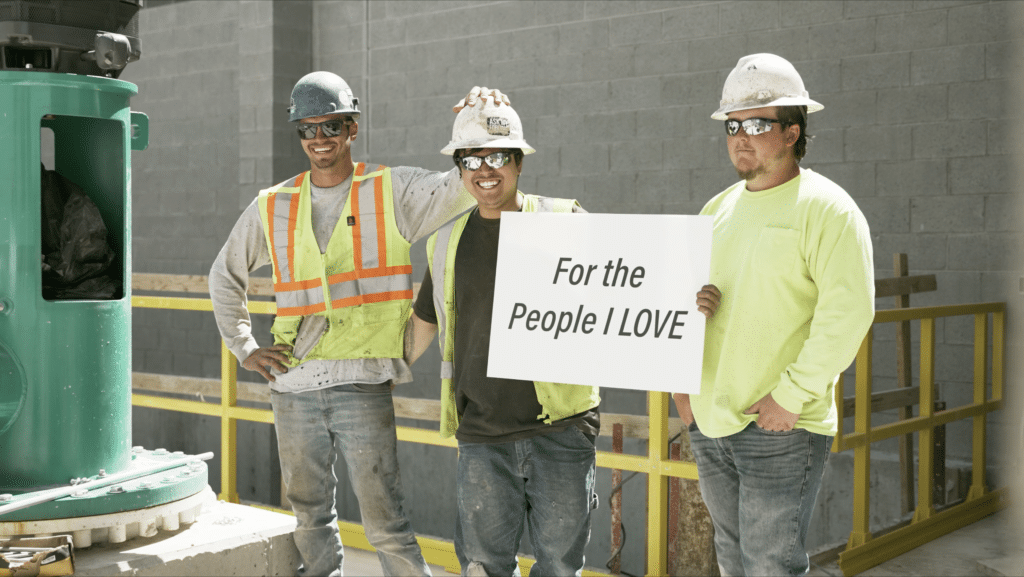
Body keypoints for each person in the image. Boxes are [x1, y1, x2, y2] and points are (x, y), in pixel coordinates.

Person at [209, 71, 508, 577]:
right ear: (298, 133)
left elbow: (466, 186)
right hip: (294, 384)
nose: (319, 139)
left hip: (362, 382)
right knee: (308, 515)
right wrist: (244, 347)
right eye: (308, 129)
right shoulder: (275, 205)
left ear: (352, 128)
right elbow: (224, 274)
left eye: (331, 126)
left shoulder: (391, 190)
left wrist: (477, 126)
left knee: (386, 520)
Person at [405, 98, 721, 577]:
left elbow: (628, 282)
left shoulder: (562, 220)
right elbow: (425, 321)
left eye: (497, 157)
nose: (484, 170)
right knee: (483, 566)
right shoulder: (445, 242)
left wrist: (689, 297)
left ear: (519, 161)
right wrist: (382, 372)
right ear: (459, 168)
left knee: (558, 566)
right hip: (482, 437)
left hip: (561, 432)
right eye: (470, 159)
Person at [672, 53, 875, 576]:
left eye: (758, 124)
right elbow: (680, 307)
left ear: (792, 132)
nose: (741, 136)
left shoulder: (828, 209)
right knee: (731, 558)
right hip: (712, 420)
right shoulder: (715, 211)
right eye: (733, 125)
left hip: (781, 426)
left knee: (770, 564)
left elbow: (847, 314)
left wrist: (789, 397)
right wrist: (681, 390)